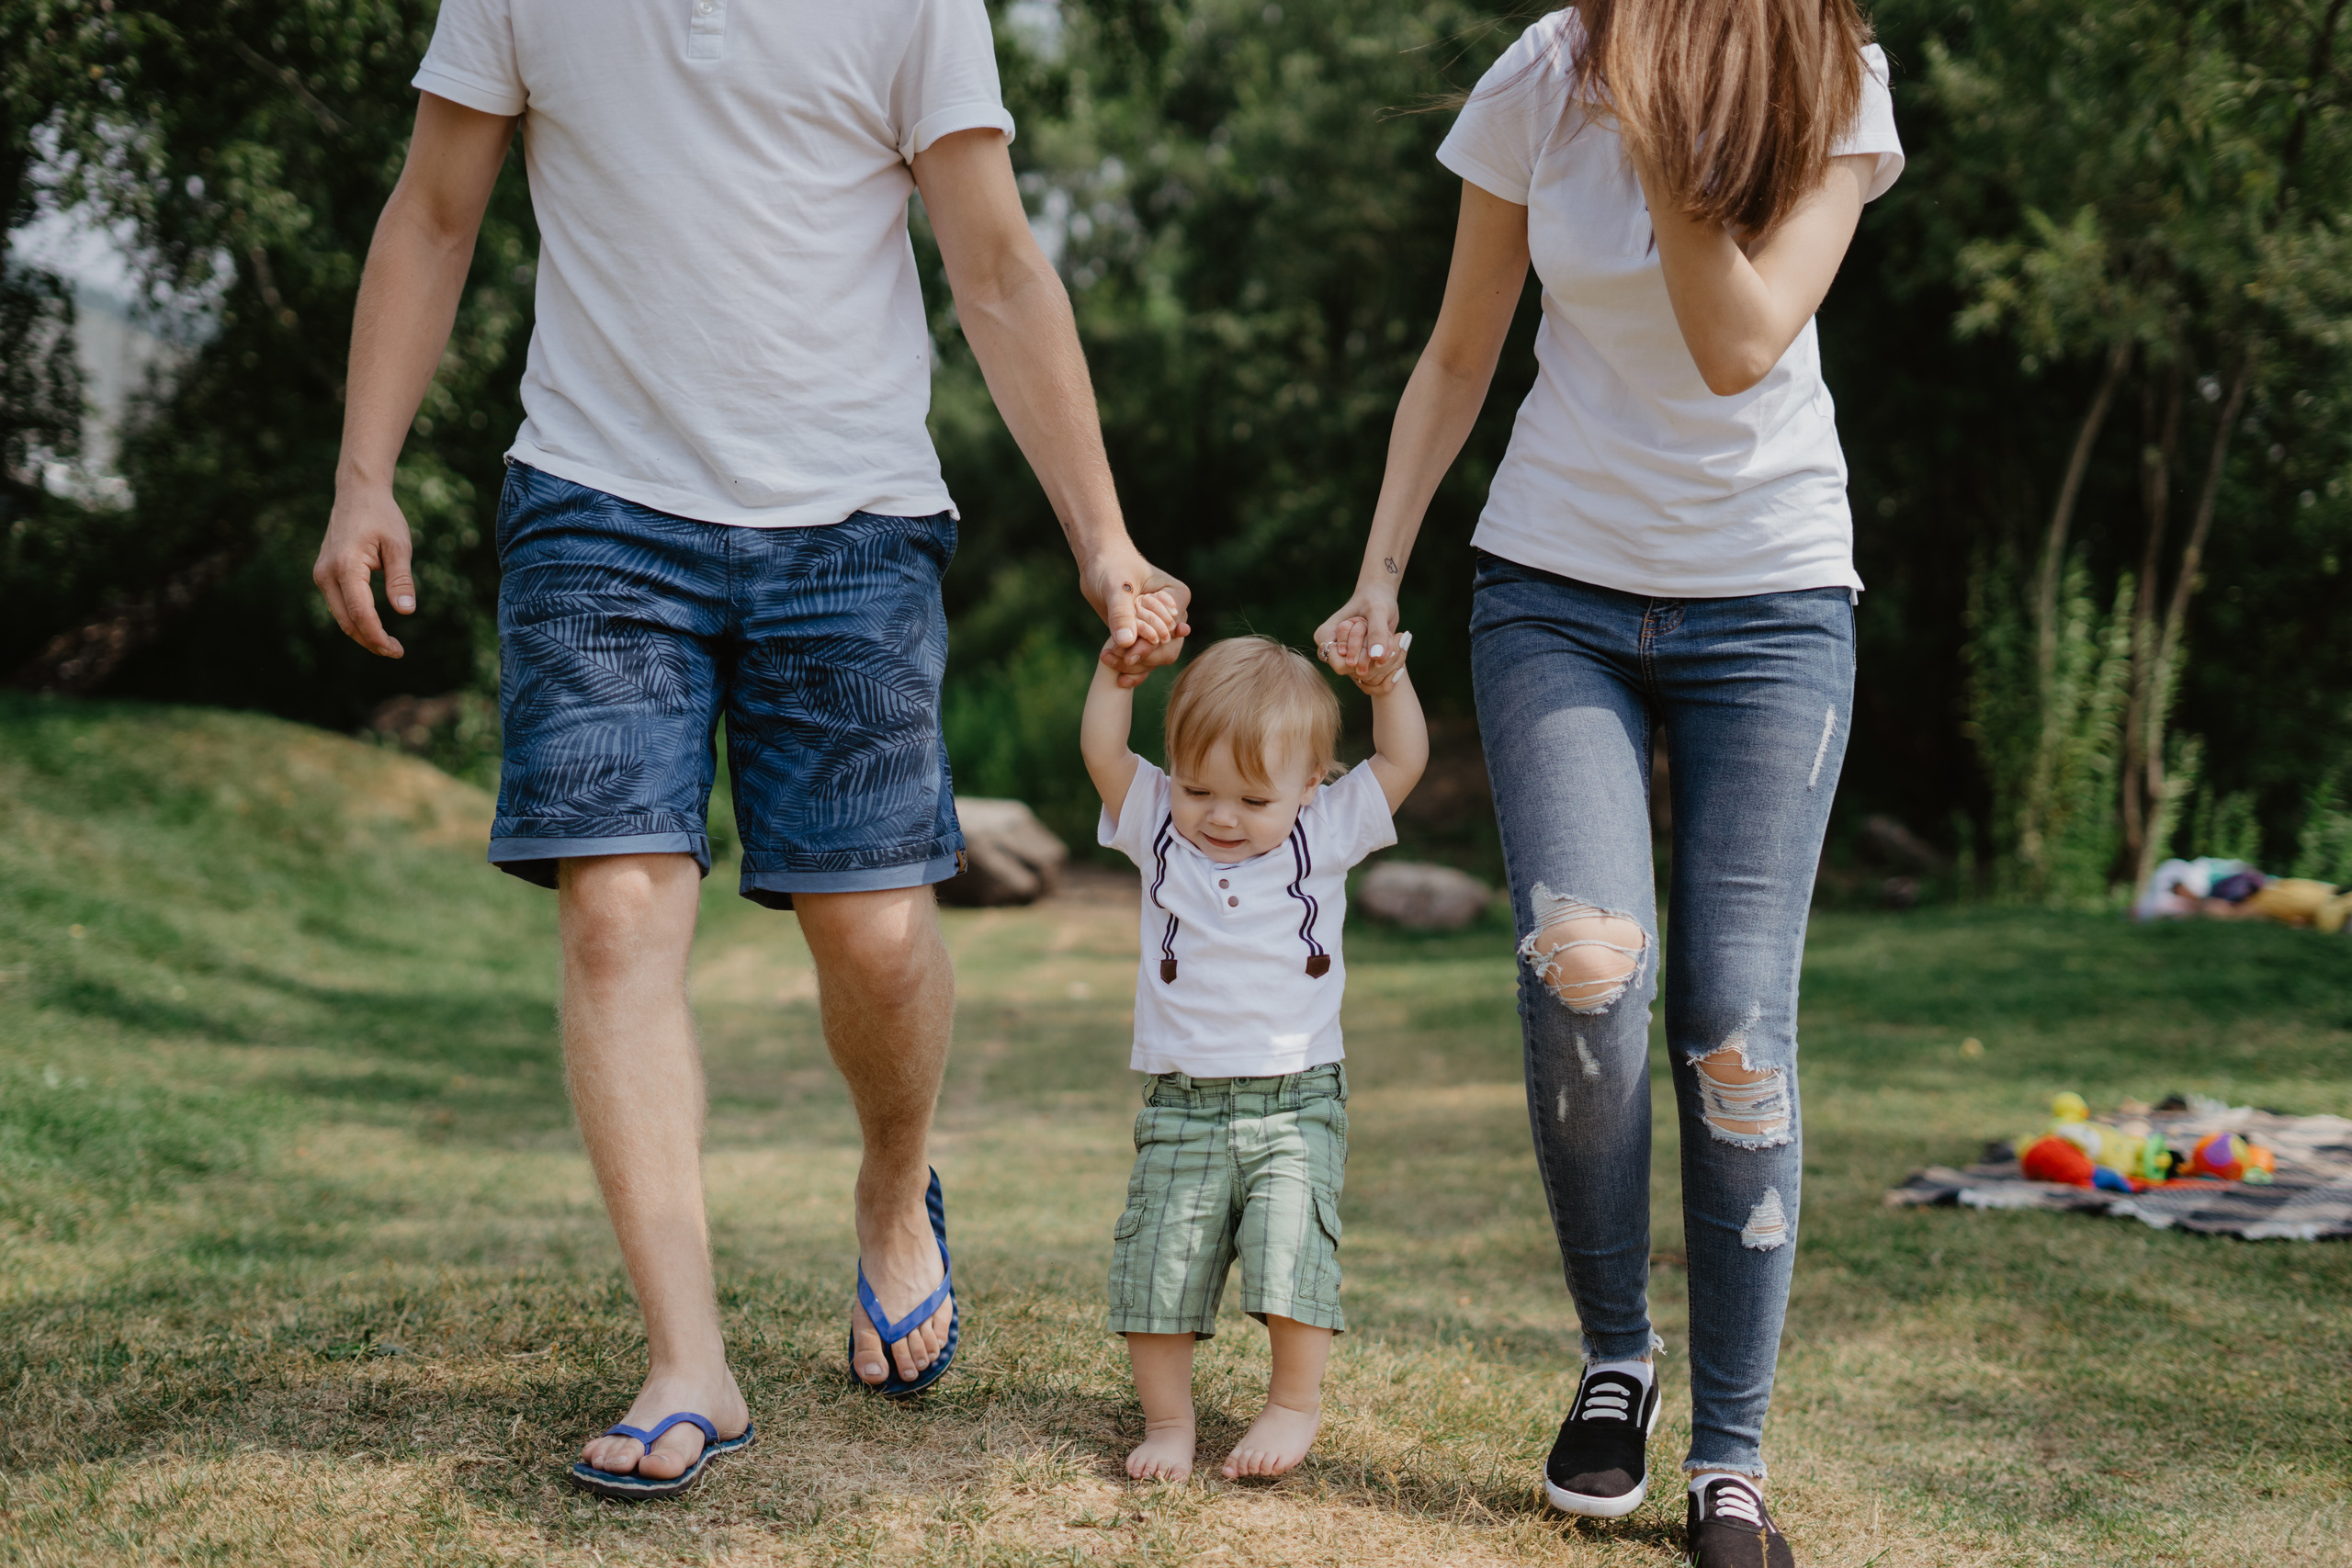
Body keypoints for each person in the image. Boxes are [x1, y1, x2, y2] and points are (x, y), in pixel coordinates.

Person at [310, 0, 1188, 1499]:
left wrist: (1102, 537)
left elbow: (996, 265)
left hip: (850, 526)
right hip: (597, 506)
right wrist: (364, 474)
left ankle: (896, 1194)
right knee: (616, 909)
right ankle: (686, 1360)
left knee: (884, 931)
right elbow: (436, 209)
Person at [1317, 0, 1902, 1560]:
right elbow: (1459, 350)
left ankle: (1733, 1460)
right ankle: (1614, 1362)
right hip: (1553, 585)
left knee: (1734, 1024)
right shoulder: (1539, 77)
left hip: (1774, 601)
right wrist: (1379, 570)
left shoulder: (1836, 83)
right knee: (1587, 971)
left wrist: (1660, 129)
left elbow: (1738, 346)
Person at [1080, 631, 1427, 1483]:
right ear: (1173, 772)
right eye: (1198, 787)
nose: (1221, 817)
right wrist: (1114, 674)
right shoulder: (1157, 822)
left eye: (1252, 799)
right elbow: (1100, 747)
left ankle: (1292, 1404)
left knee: (1290, 1255)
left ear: (1311, 787)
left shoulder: (1328, 827)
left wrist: (1390, 680)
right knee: (1160, 1264)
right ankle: (1168, 1420)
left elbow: (1403, 755)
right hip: (1182, 1103)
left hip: (1296, 1100)